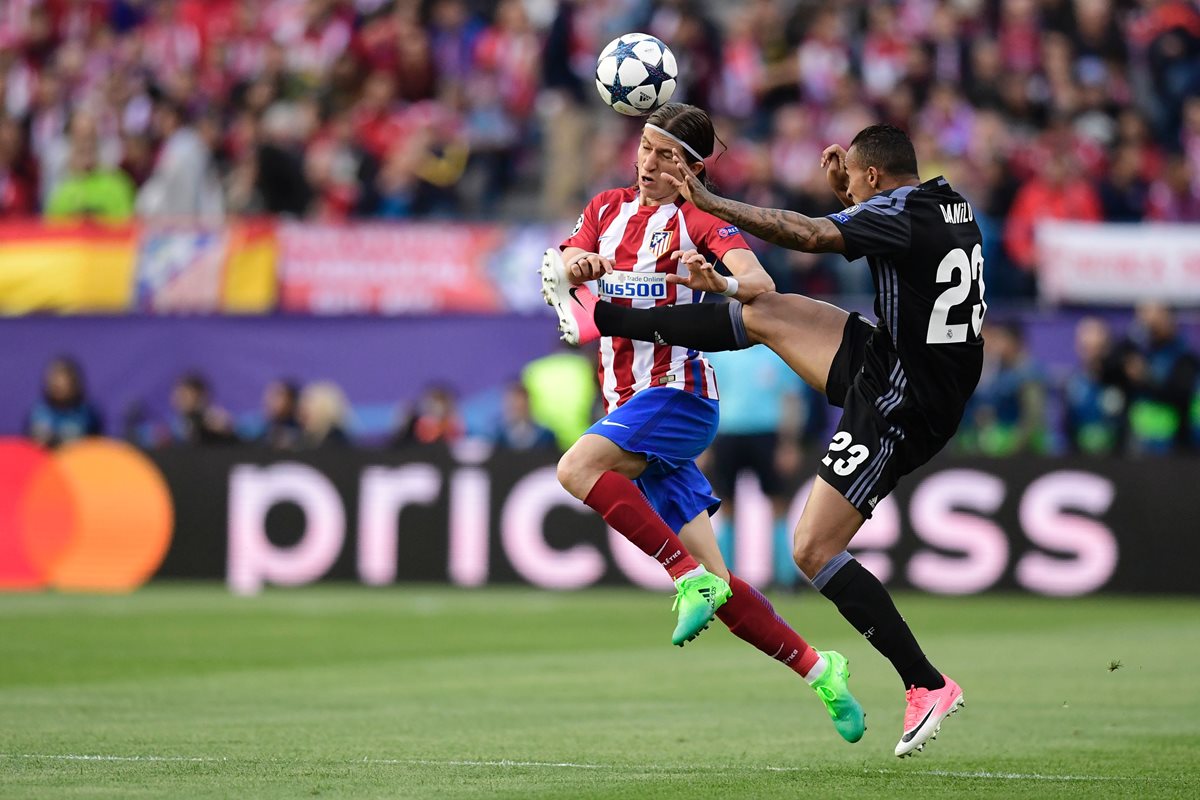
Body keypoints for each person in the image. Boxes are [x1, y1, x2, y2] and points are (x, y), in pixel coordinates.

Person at [547, 123, 979, 757]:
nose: (848, 192)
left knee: (811, 548)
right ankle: (610, 318)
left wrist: (711, 201)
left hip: (904, 400)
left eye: (855, 183)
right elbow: (856, 233)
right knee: (766, 314)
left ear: (877, 179)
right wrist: (719, 280)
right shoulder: (943, 200)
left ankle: (925, 683)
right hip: (893, 356)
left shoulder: (894, 213)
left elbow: (806, 234)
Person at [540, 102, 864, 745]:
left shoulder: (697, 218)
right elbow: (564, 268)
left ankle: (682, 577)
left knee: (575, 468)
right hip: (627, 405)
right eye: (647, 148)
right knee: (722, 579)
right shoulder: (605, 208)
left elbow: (760, 282)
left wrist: (717, 282)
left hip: (679, 394)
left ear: (691, 169)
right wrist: (577, 266)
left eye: (667, 156)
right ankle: (819, 669)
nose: (650, 163)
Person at [26, 356, 103, 448]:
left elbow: (96, 448)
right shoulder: (37, 413)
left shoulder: (88, 414)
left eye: (62, 379)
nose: (57, 384)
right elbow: (27, 447)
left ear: (74, 382)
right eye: (54, 379)